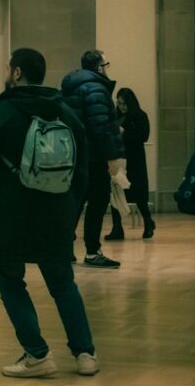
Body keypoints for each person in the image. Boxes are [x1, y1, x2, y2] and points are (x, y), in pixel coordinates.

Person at [0, 48, 98, 378]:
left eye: (10, 69)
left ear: (17, 72)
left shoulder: (1, 112)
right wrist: (71, 210)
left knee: (10, 283)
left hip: (7, 217)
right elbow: (82, 169)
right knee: (63, 284)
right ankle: (85, 354)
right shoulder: (65, 111)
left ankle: (37, 354)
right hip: (55, 214)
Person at [60, 50, 125, 268]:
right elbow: (100, 126)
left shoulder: (72, 87)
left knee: (76, 202)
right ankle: (92, 251)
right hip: (94, 157)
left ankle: (65, 249)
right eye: (105, 64)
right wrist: (112, 155)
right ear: (99, 67)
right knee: (98, 202)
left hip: (76, 154)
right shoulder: (96, 88)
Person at [105, 88, 155, 241]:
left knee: (139, 195)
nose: (122, 107)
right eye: (119, 103)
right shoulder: (115, 117)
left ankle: (148, 222)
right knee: (116, 193)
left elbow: (143, 136)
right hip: (119, 160)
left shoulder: (140, 116)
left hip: (135, 161)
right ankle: (117, 228)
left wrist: (124, 133)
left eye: (124, 104)